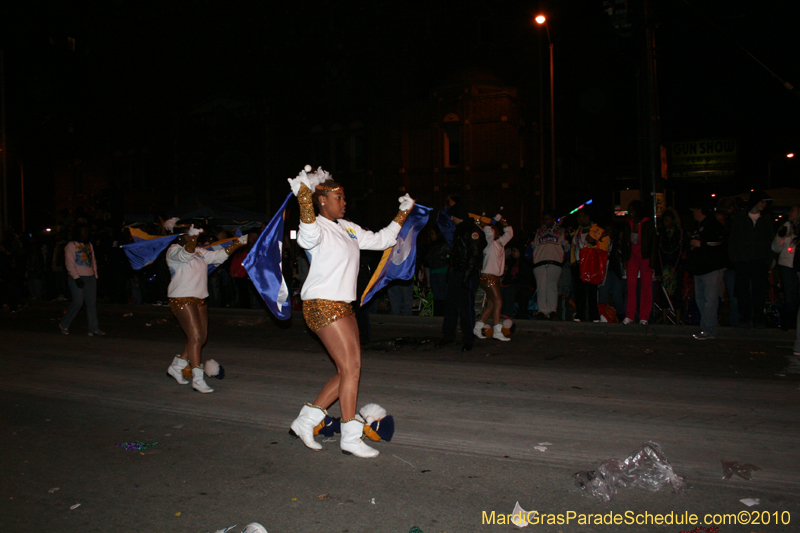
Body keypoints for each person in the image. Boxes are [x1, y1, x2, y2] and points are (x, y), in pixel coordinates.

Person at [287, 166, 414, 458]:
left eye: (344, 197)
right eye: (339, 197)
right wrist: (303, 198)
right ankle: (350, 435)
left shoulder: (349, 228)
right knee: (351, 370)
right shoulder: (315, 227)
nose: (344, 202)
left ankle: (305, 421)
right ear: (322, 201)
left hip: (344, 305)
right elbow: (305, 236)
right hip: (322, 304)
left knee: (348, 370)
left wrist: (403, 213)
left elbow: (382, 240)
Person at [165, 225, 247, 393]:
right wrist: (193, 238)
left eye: (193, 235)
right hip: (181, 298)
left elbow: (218, 256)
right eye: (189, 235)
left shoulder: (199, 251)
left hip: (200, 298)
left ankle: (177, 365)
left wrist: (238, 243)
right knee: (195, 337)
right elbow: (185, 254)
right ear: (180, 237)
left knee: (201, 338)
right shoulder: (173, 251)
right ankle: (198, 378)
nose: (192, 238)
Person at [437, 203, 486, 351]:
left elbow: (474, 256)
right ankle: (448, 336)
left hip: (467, 274)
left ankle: (468, 339)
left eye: (453, 215)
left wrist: (467, 275)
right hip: (457, 273)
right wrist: (451, 271)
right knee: (451, 307)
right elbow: (457, 254)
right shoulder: (460, 230)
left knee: (466, 308)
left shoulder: (473, 232)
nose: (451, 218)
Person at [728, 190, 773, 328]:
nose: (764, 205)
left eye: (765, 202)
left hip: (759, 260)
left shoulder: (766, 219)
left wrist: (768, 259)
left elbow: (769, 240)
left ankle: (758, 317)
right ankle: (745, 316)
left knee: (759, 290)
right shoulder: (740, 218)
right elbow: (733, 238)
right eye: (762, 201)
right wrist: (734, 258)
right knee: (743, 290)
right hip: (743, 260)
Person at [685, 201, 727, 340]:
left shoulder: (713, 225)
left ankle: (709, 330)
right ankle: (709, 326)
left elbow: (719, 244)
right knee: (701, 299)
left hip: (710, 268)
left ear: (700, 209)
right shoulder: (699, 226)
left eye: (694, 209)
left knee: (710, 299)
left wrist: (701, 244)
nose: (693, 213)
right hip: (700, 268)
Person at [59, 224, 104, 336]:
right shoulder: (71, 245)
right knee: (78, 302)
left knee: (91, 303)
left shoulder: (89, 245)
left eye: (86, 231)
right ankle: (64, 324)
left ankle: (93, 328)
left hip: (90, 276)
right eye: (82, 231)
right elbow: (69, 263)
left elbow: (93, 261)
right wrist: (76, 277)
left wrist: (95, 275)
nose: (85, 234)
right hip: (78, 277)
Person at [474, 215, 514, 340]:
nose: (495, 232)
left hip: (495, 277)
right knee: (498, 302)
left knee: (492, 304)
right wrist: (482, 223)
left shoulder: (500, 243)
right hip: (488, 276)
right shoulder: (488, 243)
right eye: (494, 230)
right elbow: (488, 232)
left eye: (497, 230)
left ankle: (477, 327)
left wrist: (502, 220)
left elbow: (509, 232)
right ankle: (497, 330)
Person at [570, 208, 609, 322]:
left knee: (592, 291)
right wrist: (573, 262)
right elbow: (574, 247)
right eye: (578, 217)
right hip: (578, 264)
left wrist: (594, 243)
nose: (579, 219)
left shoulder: (598, 231)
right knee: (579, 292)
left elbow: (606, 245)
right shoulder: (577, 232)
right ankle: (580, 315)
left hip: (591, 264)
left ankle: (594, 316)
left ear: (588, 217)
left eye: (582, 216)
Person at [622, 200, 657, 325]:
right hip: (632, 257)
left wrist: (653, 263)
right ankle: (630, 315)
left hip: (645, 257)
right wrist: (625, 259)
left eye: (632, 209)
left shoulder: (647, 223)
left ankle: (644, 317)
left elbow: (653, 244)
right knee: (631, 286)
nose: (630, 212)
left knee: (646, 287)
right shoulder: (628, 224)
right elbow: (625, 243)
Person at [530, 210, 569, 320]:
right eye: (545, 219)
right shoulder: (537, 232)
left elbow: (567, 246)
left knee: (552, 287)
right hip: (539, 262)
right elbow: (531, 245)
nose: (547, 221)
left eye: (549, 219)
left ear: (553, 219)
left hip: (555, 262)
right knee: (541, 287)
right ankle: (541, 311)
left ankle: (552, 311)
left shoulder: (562, 231)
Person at [655, 209, 685, 324]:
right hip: (664, 268)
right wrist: (658, 271)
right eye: (664, 220)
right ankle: (664, 319)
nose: (665, 222)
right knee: (663, 294)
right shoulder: (661, 234)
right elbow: (657, 254)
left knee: (677, 294)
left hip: (677, 267)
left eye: (667, 220)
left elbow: (684, 249)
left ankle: (677, 320)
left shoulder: (680, 233)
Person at [773, 205, 799, 330]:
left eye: (793, 211)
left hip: (798, 265)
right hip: (787, 266)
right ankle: (789, 324)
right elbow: (775, 248)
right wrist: (780, 236)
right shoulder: (785, 227)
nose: (790, 212)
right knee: (789, 296)